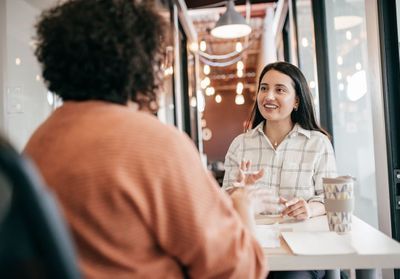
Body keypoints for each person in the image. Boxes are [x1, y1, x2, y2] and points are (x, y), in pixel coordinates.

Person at [23, 1, 267, 278]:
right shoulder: (155, 145)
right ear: (140, 62)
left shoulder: (38, 142)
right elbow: (239, 269)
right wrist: (242, 203)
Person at [223, 62, 337, 278]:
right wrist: (239, 193)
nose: (268, 96)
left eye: (280, 90)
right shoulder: (240, 144)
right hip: (254, 247)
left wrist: (309, 208)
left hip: (302, 251)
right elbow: (224, 202)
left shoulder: (318, 144)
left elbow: (330, 199)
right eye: (264, 88)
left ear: (296, 101)